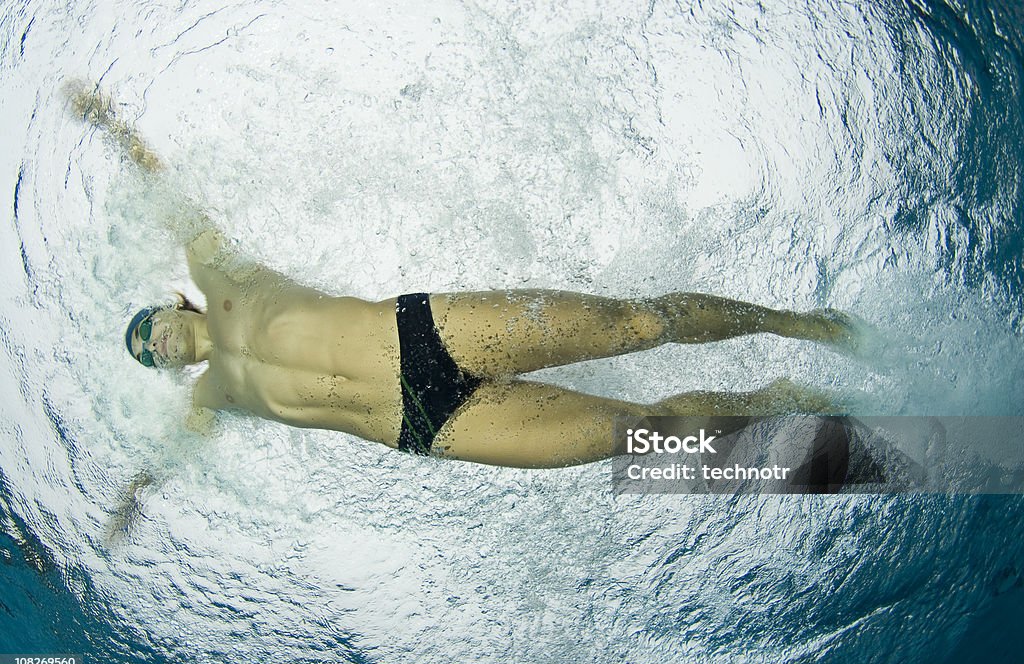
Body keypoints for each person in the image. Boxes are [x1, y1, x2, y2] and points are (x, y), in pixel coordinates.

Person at [70, 83, 863, 469]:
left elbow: (161, 183)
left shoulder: (218, 273)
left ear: (166, 303)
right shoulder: (209, 401)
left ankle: (802, 323)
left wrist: (106, 120)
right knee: (638, 433)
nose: (153, 344)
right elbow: (159, 469)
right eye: (145, 355)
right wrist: (128, 509)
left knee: (638, 323)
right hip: (428, 428)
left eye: (144, 329)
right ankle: (773, 403)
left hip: (422, 332)